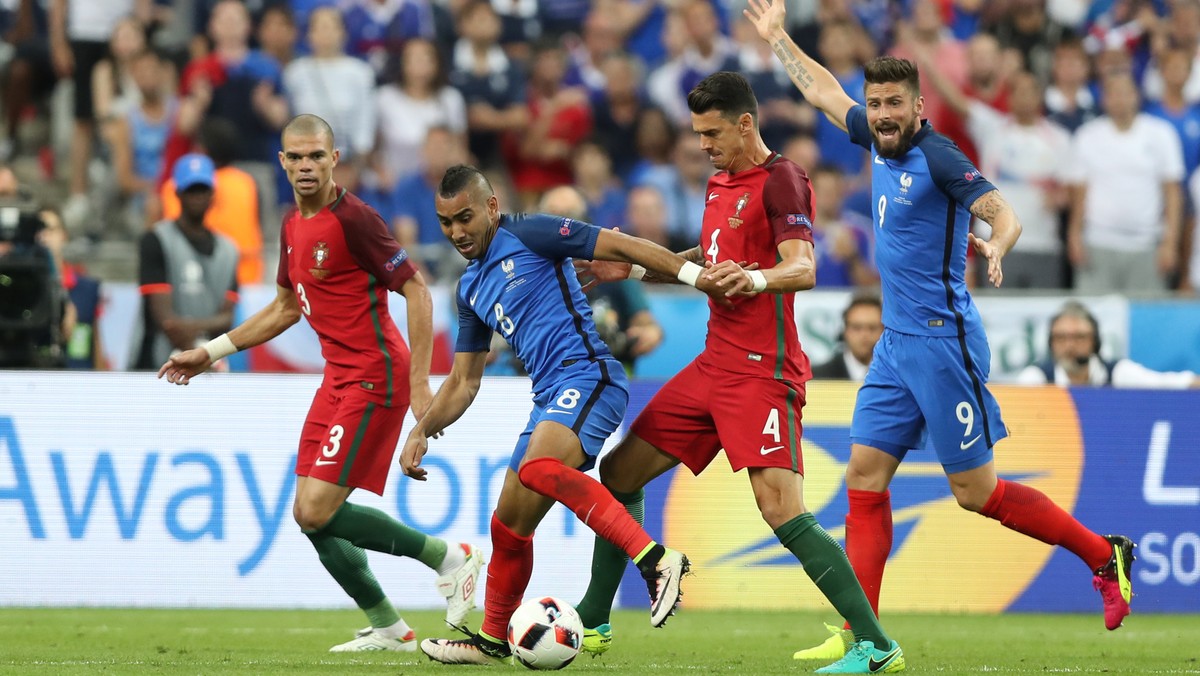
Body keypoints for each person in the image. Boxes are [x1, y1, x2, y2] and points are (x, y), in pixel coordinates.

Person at [743, 1, 1137, 666]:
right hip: (895, 345)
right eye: (875, 103)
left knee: (975, 494)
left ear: (919, 107)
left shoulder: (940, 156)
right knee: (864, 480)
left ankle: (1105, 555)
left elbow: (999, 211)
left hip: (942, 344)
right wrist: (778, 36)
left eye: (894, 103)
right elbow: (821, 89)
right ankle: (864, 639)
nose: (882, 114)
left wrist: (997, 245)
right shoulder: (873, 136)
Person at [574, 71, 906, 675]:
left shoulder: (782, 179)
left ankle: (875, 644)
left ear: (745, 123)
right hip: (712, 365)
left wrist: (755, 279)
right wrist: (635, 270)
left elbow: (800, 267)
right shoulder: (718, 181)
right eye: (697, 133)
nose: (702, 144)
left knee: (780, 509)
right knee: (620, 470)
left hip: (762, 372)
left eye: (711, 132)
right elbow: (711, 260)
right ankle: (594, 620)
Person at [157, 115, 483, 653]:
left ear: (335, 159)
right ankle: (390, 629)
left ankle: (451, 559)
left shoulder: (355, 219)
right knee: (309, 517)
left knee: (315, 509)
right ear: (282, 163)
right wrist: (209, 352)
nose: (306, 166)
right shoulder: (291, 224)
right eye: (296, 157)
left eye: (316, 156)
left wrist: (422, 385)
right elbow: (285, 308)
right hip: (337, 379)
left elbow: (418, 292)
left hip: (375, 378)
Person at [402, 164, 731, 665]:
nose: (457, 232)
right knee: (507, 525)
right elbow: (465, 381)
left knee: (537, 470)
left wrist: (692, 276)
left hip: (590, 377)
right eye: (446, 223)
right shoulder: (469, 289)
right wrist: (422, 428)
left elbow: (619, 248)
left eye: (465, 217)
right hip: (549, 395)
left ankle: (657, 560)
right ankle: (492, 640)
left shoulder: (531, 232)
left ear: (491, 206)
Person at [540, 185, 664, 375]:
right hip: (545, 378)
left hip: (609, 377)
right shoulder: (528, 271)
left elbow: (647, 323)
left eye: (570, 215)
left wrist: (649, 333)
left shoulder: (609, 263)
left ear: (585, 220)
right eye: (553, 216)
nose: (562, 227)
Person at [131, 154, 238, 372]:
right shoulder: (155, 240)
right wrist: (201, 354)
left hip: (209, 357)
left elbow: (228, 318)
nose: (197, 196)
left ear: (212, 194)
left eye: (202, 189)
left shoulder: (229, 250)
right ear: (178, 193)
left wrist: (200, 351)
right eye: (191, 190)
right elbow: (163, 318)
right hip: (156, 360)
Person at [1017, 300, 1200, 388]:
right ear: (1051, 343)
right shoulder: (1037, 378)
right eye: (1061, 338)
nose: (1070, 346)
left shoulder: (1118, 373)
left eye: (1079, 337)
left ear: (1095, 341)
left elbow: (1164, 384)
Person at [812, 293, 883, 381]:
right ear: (845, 331)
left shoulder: (896, 378)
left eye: (872, 328)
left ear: (883, 332)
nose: (864, 335)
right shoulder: (818, 377)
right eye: (857, 327)